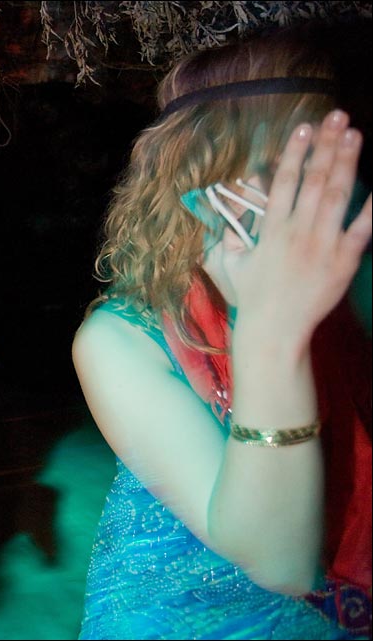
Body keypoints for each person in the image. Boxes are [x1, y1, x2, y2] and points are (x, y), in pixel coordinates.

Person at [71, 26, 372, 639]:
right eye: (305, 156)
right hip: (196, 618)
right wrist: (268, 332)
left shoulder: (357, 275)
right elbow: (280, 562)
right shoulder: (123, 337)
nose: (331, 185)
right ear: (212, 174)